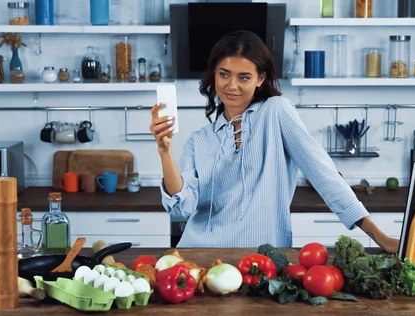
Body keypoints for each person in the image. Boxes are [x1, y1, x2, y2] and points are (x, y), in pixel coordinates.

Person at [149, 30, 399, 253]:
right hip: (199, 254)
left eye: (244, 77)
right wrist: (165, 151)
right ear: (214, 74)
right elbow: (182, 209)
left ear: (260, 79)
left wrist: (380, 237)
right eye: (224, 74)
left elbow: (324, 174)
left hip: (263, 260)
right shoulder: (198, 140)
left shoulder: (276, 111)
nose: (231, 85)